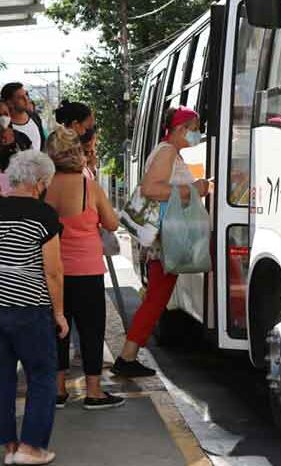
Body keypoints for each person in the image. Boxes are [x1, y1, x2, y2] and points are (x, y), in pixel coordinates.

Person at [0, 150, 66, 465]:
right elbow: (52, 272)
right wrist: (59, 313)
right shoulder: (44, 215)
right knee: (42, 374)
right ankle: (31, 447)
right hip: (29, 306)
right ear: (40, 182)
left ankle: (9, 447)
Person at [111, 106, 210, 377]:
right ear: (180, 129)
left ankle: (129, 355)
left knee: (156, 297)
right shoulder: (166, 152)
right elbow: (150, 188)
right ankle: (127, 356)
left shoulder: (170, 152)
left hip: (167, 236)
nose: (197, 135)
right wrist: (195, 189)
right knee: (156, 298)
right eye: (195, 129)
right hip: (166, 239)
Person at [45, 127, 124, 410]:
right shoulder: (89, 186)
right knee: (91, 330)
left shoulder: (44, 185)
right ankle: (94, 391)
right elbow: (112, 223)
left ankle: (58, 389)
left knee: (57, 328)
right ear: (76, 151)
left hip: (53, 269)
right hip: (88, 269)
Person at [2, 83, 45, 152]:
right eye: (20, 97)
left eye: (26, 95)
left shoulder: (34, 117)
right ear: (10, 103)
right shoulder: (5, 126)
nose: (26, 99)